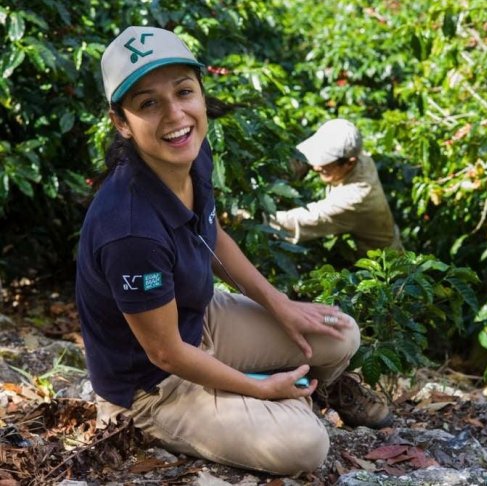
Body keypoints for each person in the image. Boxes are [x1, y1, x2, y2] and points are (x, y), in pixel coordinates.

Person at [75, 26, 392, 477]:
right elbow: (165, 353)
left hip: (197, 318)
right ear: (121, 122)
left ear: (201, 95)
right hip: (152, 383)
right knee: (304, 447)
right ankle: (265, 398)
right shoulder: (130, 231)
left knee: (340, 333)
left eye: (184, 92)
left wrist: (278, 304)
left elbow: (210, 233)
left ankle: (283, 392)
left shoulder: (190, 153)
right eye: (148, 103)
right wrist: (258, 390)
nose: (175, 114)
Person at [268, 118, 403, 260]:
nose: (316, 167)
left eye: (325, 162)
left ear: (350, 163)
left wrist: (251, 216)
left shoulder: (355, 199)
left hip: (383, 265)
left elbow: (297, 221)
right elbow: (304, 159)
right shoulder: (356, 155)